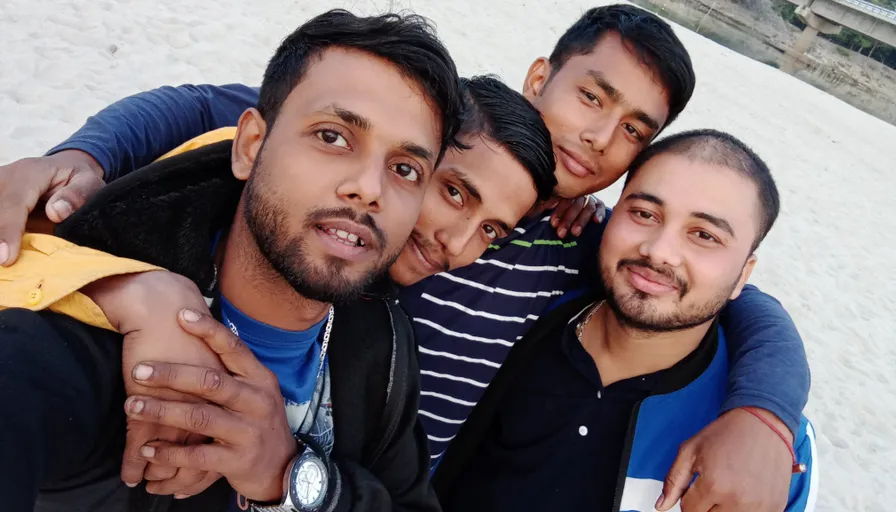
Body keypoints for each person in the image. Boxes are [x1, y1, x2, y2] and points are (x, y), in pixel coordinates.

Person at [0, 5, 811, 511]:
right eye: (591, 96)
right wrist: (85, 158)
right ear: (540, 78)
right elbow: (212, 112)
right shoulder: (398, 144)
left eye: (634, 128)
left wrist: (768, 414)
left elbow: (723, 293)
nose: (599, 134)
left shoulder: (593, 244)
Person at [0, 9, 468, 512]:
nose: (370, 189)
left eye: (404, 168)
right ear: (249, 146)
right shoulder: (109, 336)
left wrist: (291, 477)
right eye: (332, 137)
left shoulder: (385, 349)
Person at [435, 129, 819, 512]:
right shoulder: (521, 314)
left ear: (743, 275)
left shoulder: (768, 448)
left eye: (704, 235)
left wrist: (764, 417)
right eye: (644, 214)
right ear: (608, 214)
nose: (659, 251)